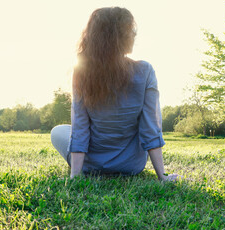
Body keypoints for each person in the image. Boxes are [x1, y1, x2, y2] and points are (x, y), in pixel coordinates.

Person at [51, 7, 179, 181]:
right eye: (130, 30)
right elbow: (151, 127)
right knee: (63, 130)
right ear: (119, 37)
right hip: (132, 165)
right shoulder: (145, 70)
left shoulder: (81, 72)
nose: (134, 35)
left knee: (58, 131)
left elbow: (80, 128)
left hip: (92, 165)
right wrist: (162, 176)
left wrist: (75, 176)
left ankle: (81, 167)